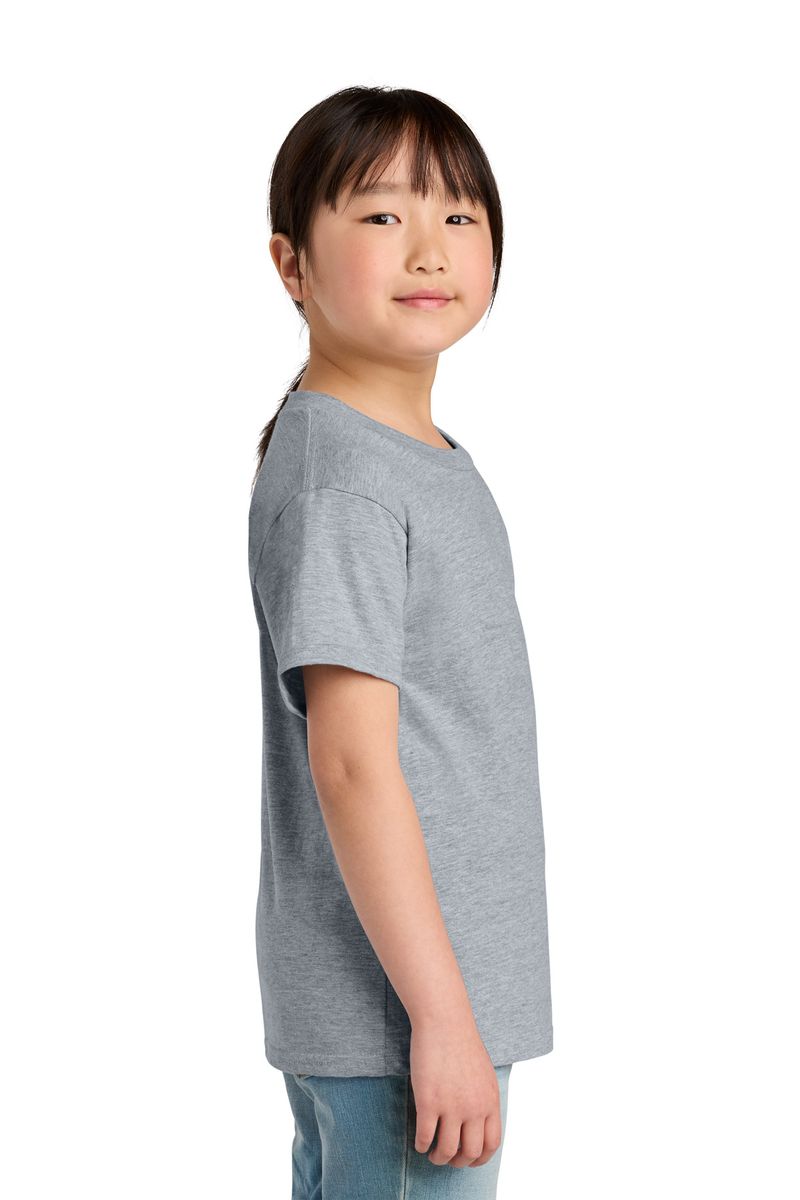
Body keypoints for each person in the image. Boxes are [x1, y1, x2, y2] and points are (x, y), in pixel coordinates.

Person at [249, 85, 553, 1199]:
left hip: (414, 1009)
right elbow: (350, 763)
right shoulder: (347, 482)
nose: (428, 247)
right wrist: (440, 1017)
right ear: (291, 264)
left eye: (458, 215)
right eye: (381, 215)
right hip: (400, 1018)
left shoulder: (402, 456)